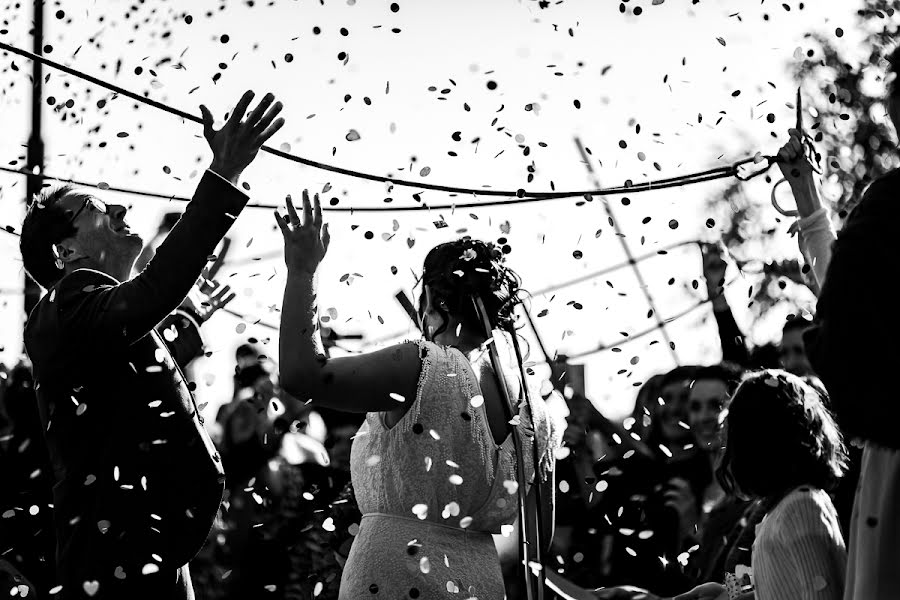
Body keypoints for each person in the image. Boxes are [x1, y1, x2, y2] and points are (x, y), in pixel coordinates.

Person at [19, 90, 284, 599]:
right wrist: (223, 172)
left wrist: (179, 323)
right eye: (94, 208)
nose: (117, 204)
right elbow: (147, 296)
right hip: (113, 565)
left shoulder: (86, 318)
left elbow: (125, 348)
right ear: (66, 251)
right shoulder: (62, 305)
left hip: (148, 558)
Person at [275, 191, 563, 598]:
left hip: (391, 578)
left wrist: (302, 270)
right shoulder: (539, 411)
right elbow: (539, 541)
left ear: (430, 300)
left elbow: (302, 376)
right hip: (480, 582)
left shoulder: (423, 365)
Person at [678, 370, 848, 600]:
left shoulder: (800, 507)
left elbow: (821, 594)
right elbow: (777, 584)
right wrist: (727, 595)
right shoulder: (776, 506)